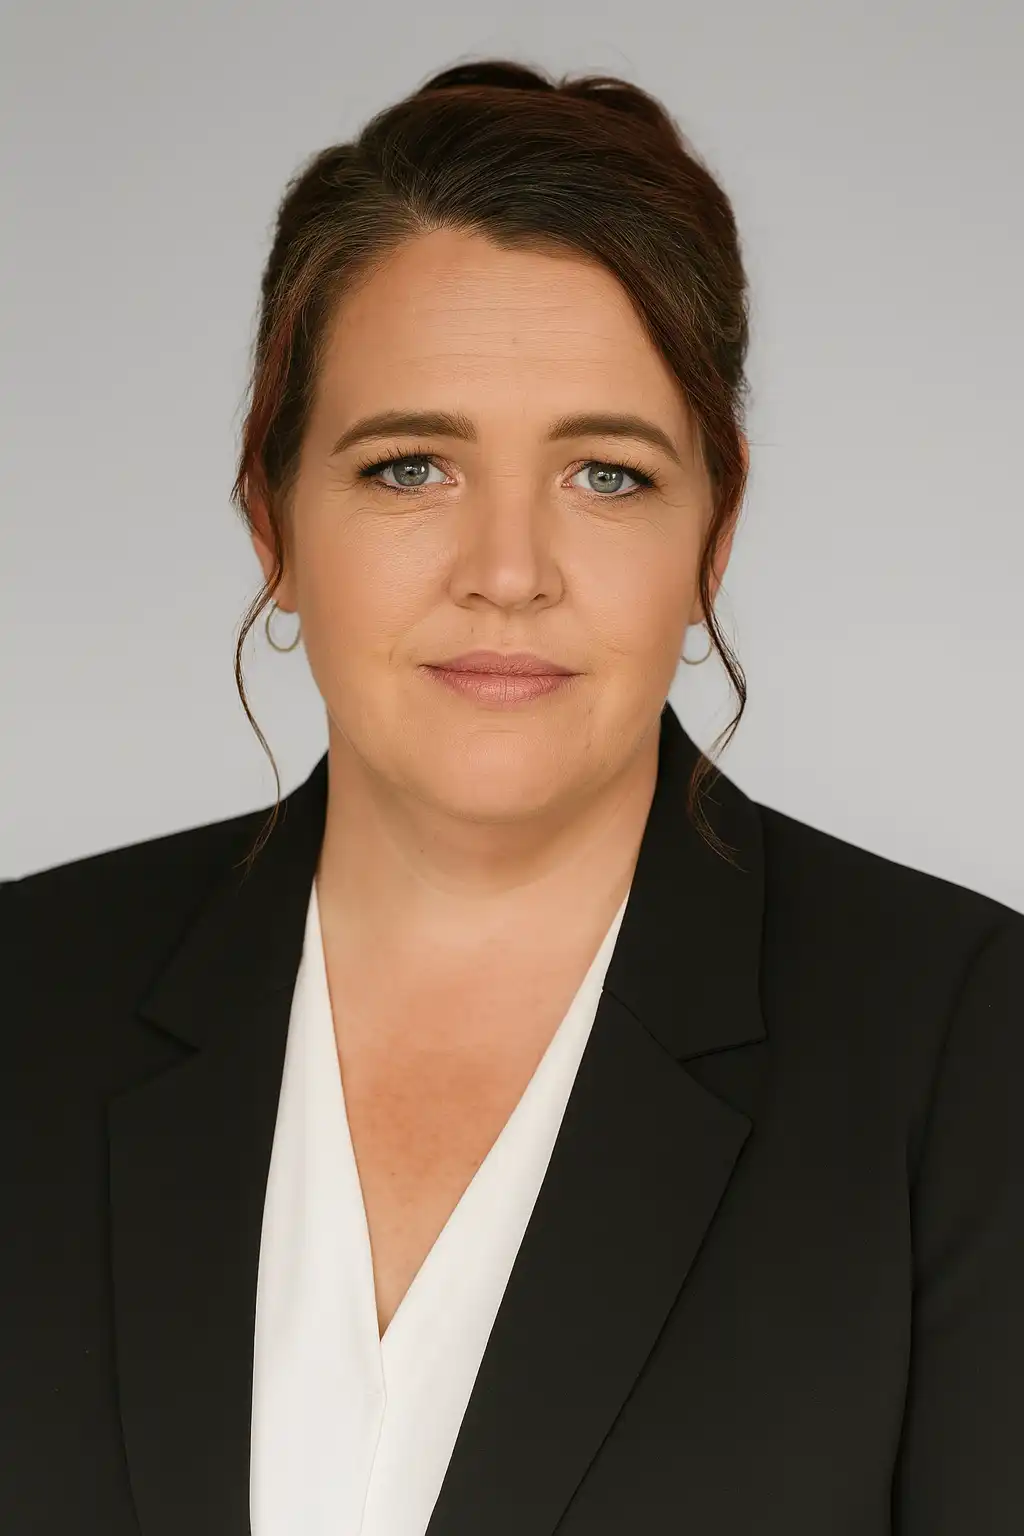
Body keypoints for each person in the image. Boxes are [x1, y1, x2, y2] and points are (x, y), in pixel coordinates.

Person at [2, 57, 1021, 1536]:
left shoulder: (968, 1057)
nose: (507, 569)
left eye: (605, 475)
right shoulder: (23, 1000)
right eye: (410, 466)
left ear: (712, 540)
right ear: (272, 521)